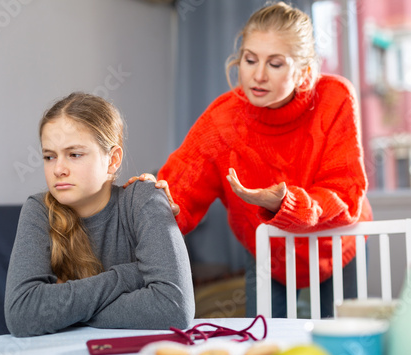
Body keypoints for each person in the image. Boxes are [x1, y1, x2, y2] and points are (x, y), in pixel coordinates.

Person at [126, 2, 373, 318]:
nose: (258, 75)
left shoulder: (336, 97)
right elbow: (179, 190)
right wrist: (156, 200)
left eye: (275, 64)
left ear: (304, 72)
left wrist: (286, 202)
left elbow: (346, 194)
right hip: (269, 251)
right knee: (264, 343)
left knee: (342, 344)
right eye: (250, 59)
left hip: (338, 245)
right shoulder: (222, 120)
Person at [4, 92, 195, 337]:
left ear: (113, 160)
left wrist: (65, 314)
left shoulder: (144, 199)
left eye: (74, 154)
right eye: (49, 156)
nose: (59, 169)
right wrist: (130, 275)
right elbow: (22, 314)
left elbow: (174, 307)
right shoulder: (39, 210)